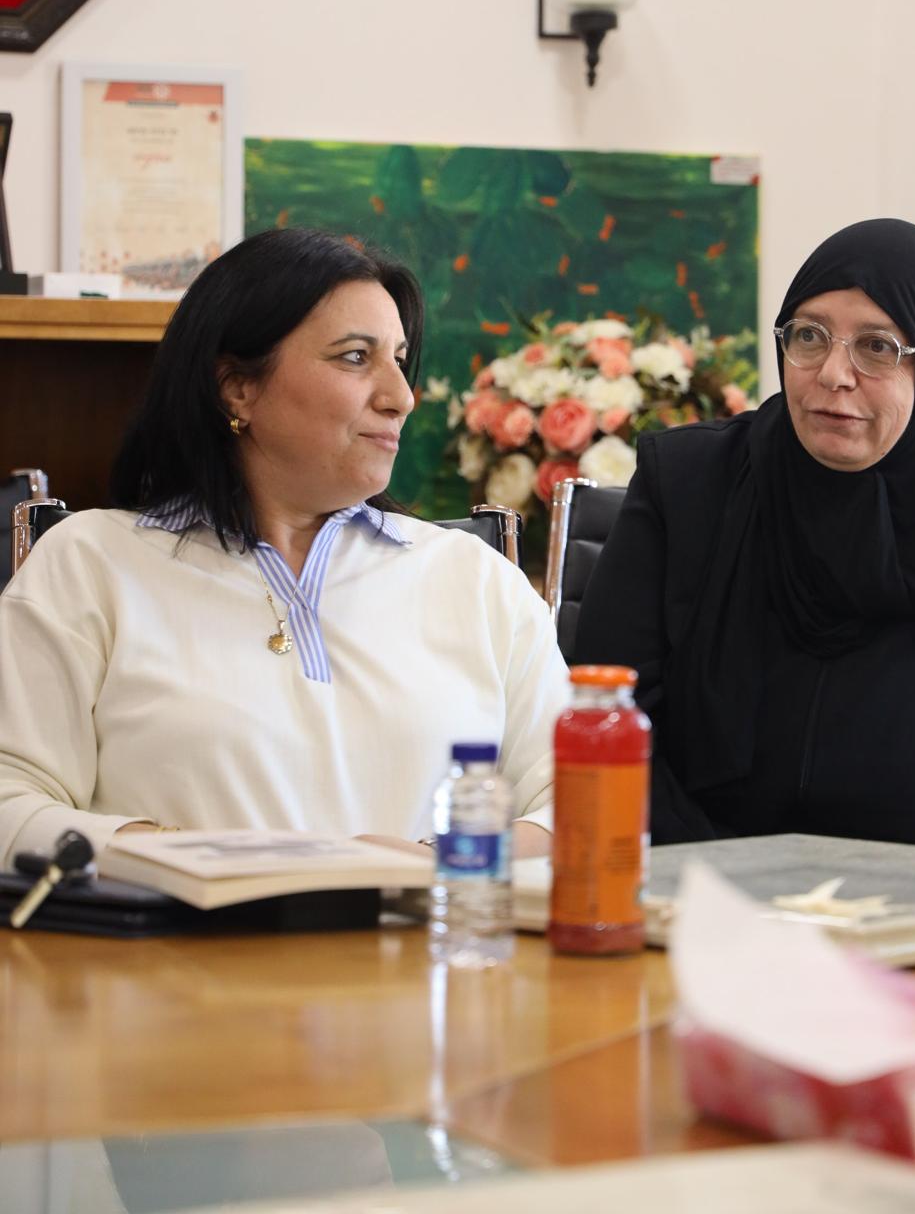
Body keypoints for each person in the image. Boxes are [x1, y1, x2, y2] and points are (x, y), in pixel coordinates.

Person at [0, 228, 569, 868]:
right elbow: (11, 803)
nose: (401, 397)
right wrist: (199, 861)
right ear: (237, 388)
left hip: (423, 929)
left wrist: (432, 861)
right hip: (183, 933)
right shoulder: (88, 563)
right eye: (355, 357)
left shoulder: (476, 578)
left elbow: (580, 803)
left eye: (399, 360)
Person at [574, 218, 915, 854]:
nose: (834, 373)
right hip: (699, 873)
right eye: (809, 336)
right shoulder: (689, 479)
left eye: (877, 347)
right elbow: (609, 705)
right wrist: (715, 870)